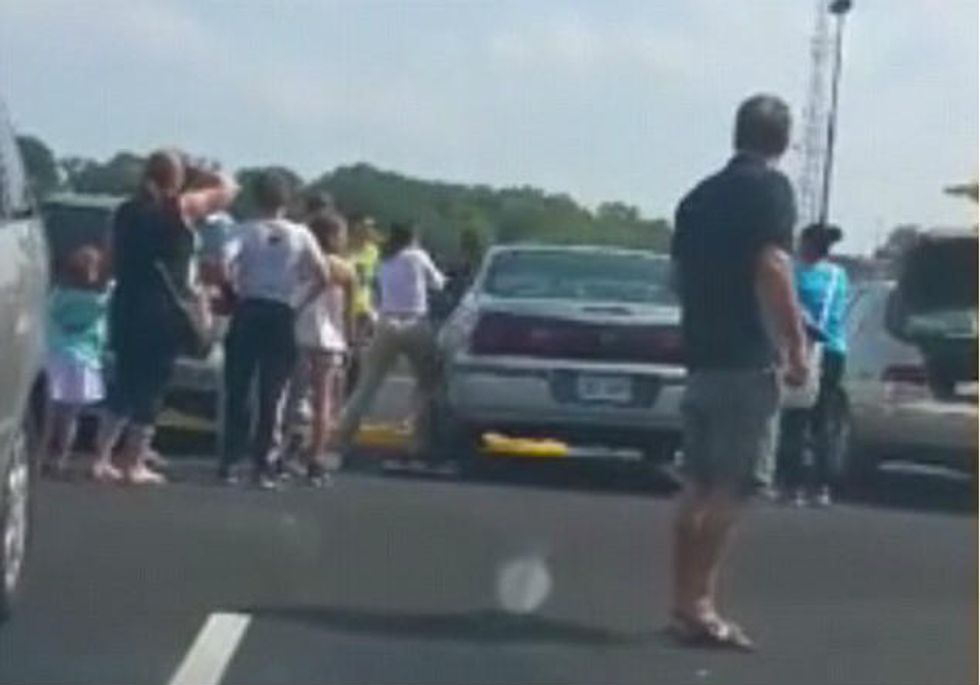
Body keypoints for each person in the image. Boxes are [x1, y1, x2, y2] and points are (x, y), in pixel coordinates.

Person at [669, 94, 809, 650]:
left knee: (697, 485)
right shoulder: (770, 191)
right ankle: (702, 604)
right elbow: (773, 265)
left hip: (702, 355)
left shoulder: (698, 198)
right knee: (735, 485)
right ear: (782, 139)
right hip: (746, 358)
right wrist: (796, 346)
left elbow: (678, 275)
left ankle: (682, 597)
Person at [92, 150, 236, 485]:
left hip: (127, 301)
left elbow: (108, 262)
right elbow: (227, 190)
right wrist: (200, 172)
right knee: (152, 385)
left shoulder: (125, 211)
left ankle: (100, 457)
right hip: (163, 308)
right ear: (176, 176)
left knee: (124, 381)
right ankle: (134, 462)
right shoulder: (180, 208)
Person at [218, 171, 349, 488]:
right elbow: (321, 274)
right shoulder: (301, 234)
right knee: (273, 390)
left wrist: (232, 291)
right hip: (281, 310)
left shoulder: (244, 231)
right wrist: (298, 302)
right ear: (286, 202)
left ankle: (232, 460)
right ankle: (264, 463)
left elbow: (222, 262)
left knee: (239, 386)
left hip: (249, 307)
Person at [331, 222, 445, 452]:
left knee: (369, 382)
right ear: (413, 238)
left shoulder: (384, 257)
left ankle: (343, 432)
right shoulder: (418, 256)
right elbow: (438, 283)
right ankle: (418, 432)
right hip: (414, 321)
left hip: (386, 320)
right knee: (428, 381)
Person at [777, 223, 849, 507]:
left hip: (801, 347)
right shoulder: (837, 275)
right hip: (834, 350)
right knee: (824, 421)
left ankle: (790, 484)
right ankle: (821, 487)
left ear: (805, 243)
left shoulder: (791, 273)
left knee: (794, 418)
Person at [285, 211, 354, 484]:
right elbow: (349, 311)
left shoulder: (303, 262)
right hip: (330, 340)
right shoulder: (345, 269)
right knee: (324, 401)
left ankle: (284, 450)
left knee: (292, 394)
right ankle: (316, 457)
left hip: (301, 332)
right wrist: (349, 340)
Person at [42, 246, 110, 479]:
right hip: (84, 361)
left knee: (48, 412)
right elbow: (103, 333)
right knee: (70, 416)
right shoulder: (101, 302)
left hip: (56, 356)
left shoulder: (59, 296)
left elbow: (47, 318)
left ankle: (41, 453)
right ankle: (61, 457)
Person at [345, 215, 381, 394]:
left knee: (357, 354)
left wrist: (374, 308)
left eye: (370, 227)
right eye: (364, 226)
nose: (368, 231)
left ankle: (350, 395)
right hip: (342, 308)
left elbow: (373, 282)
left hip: (362, 310)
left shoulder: (373, 251)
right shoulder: (343, 249)